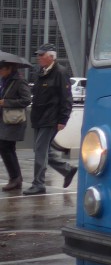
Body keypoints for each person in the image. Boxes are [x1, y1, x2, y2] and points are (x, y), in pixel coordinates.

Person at [23, 44, 76, 195]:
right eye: (38, 55)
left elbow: (67, 98)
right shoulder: (41, 72)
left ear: (51, 57)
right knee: (43, 150)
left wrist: (63, 119)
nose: (38, 57)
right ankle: (67, 170)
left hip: (51, 118)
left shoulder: (60, 72)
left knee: (40, 150)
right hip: (39, 117)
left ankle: (38, 184)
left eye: (41, 55)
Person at [0, 60, 31, 191]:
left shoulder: (19, 81)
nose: (0, 72)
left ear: (9, 69)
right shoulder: (4, 81)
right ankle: (15, 178)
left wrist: (6, 102)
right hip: (4, 120)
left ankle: (15, 178)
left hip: (13, 121)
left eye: (2, 69)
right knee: (7, 149)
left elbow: (26, 100)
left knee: (6, 147)